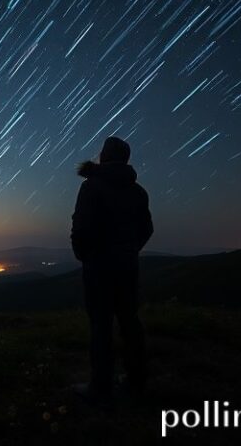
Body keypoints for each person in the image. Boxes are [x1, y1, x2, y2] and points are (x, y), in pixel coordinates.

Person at [70, 136, 153, 404]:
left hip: (99, 269)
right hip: (127, 267)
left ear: (104, 156)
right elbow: (146, 229)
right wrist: (129, 251)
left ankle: (100, 387)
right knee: (130, 322)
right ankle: (137, 381)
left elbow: (81, 229)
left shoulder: (91, 187)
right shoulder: (139, 192)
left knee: (101, 326)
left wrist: (87, 256)